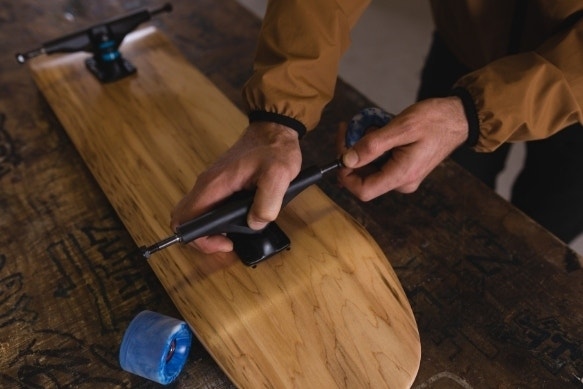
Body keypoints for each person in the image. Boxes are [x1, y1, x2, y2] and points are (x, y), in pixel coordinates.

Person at [171, 1, 583, 254]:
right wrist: (278, 117)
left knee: (545, 233)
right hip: (467, 46)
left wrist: (471, 116)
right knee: (449, 206)